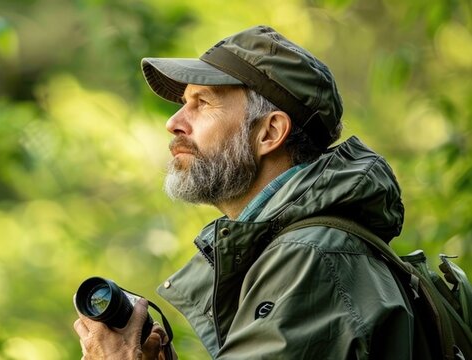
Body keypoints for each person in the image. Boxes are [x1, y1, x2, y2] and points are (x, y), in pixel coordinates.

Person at [73, 25, 413, 359]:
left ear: (270, 132)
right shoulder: (297, 249)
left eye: (202, 103)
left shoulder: (308, 258)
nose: (174, 121)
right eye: (184, 101)